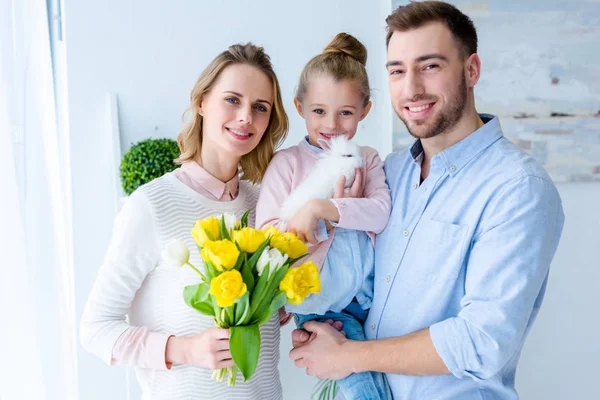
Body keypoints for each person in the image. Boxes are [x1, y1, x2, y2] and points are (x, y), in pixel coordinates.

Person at [289, 2, 565, 399]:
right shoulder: (389, 173)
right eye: (397, 71)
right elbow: (358, 276)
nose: (412, 88)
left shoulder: (518, 187)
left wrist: (351, 355)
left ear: (471, 70)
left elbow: (482, 340)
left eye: (430, 66)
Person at [80, 43, 289, 399]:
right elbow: (95, 329)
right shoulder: (150, 205)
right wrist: (186, 349)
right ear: (202, 102)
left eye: (260, 107)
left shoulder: (264, 204)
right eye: (232, 100)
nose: (245, 118)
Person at [256, 33, 392, 400]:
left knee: (391, 380)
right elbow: (268, 234)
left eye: (345, 112)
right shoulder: (287, 164)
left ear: (365, 109)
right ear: (299, 107)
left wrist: (322, 208)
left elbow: (380, 214)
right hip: (321, 304)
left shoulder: (366, 157)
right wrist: (328, 221)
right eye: (319, 111)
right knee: (363, 389)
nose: (331, 124)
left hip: (371, 300)